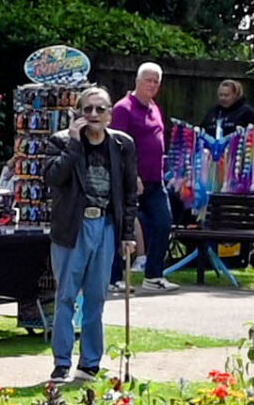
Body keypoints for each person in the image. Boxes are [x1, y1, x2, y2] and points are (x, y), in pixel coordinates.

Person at [41, 85, 142, 384]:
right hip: (72, 227)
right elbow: (53, 178)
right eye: (88, 109)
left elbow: (128, 193)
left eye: (100, 109)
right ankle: (61, 363)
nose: (94, 114)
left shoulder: (122, 144)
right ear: (78, 114)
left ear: (110, 114)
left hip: (106, 226)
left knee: (97, 297)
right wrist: (74, 144)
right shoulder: (60, 141)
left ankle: (90, 363)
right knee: (66, 296)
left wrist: (127, 233)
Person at [109, 62, 172, 289]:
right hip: (131, 180)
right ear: (137, 81)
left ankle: (153, 275)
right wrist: (132, 175)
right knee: (121, 228)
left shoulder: (154, 108)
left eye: (156, 81)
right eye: (148, 80)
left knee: (163, 223)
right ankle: (114, 278)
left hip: (156, 180)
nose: (152, 85)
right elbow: (117, 145)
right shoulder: (123, 108)